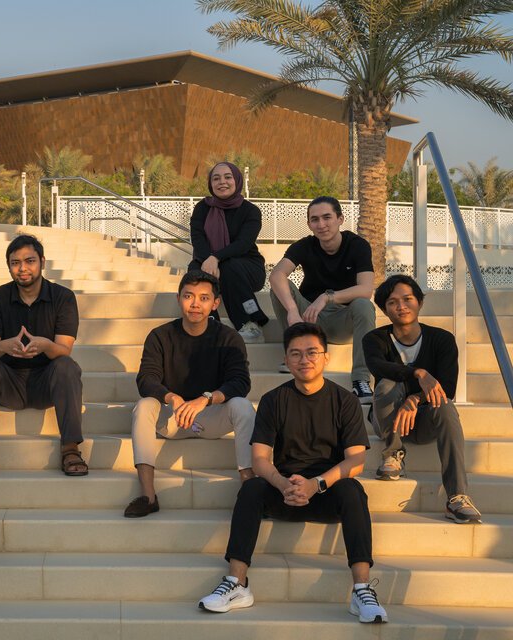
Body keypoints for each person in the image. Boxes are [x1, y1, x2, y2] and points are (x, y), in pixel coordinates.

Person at [198, 323, 387, 624]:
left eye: (312, 352)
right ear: (286, 360)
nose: (304, 359)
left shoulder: (345, 401)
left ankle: (362, 589)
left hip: (326, 492)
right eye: (295, 354)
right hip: (284, 491)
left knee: (353, 490)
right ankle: (237, 583)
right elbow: (260, 459)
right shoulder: (274, 399)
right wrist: (282, 483)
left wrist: (316, 484)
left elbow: (357, 461)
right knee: (251, 489)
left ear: (326, 357)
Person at [125, 270, 256, 518]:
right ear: (179, 299)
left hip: (211, 415)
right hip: (173, 417)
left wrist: (205, 399)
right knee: (144, 405)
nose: (195, 304)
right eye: (188, 296)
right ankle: (148, 496)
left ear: (215, 303)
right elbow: (146, 379)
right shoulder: (160, 336)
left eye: (204, 298)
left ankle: (250, 490)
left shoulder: (229, 338)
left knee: (243, 406)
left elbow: (240, 382)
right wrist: (172, 398)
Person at [0, 234, 88, 477]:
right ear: (9, 266)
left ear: (42, 262)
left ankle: (70, 448)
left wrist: (45, 345)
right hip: (9, 382)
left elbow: (64, 348)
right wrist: (5, 346)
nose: (23, 268)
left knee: (67, 365)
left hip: (47, 382)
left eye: (30, 261)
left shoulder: (63, 297)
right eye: (15, 263)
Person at [364, 274, 482, 523]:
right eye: (392, 302)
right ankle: (393, 453)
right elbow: (379, 367)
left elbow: (447, 388)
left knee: (446, 405)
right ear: (384, 309)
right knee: (387, 383)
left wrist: (415, 399)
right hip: (388, 419)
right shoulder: (374, 339)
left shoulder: (442, 340)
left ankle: (457, 497)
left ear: (420, 302)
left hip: (425, 421)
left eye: (407, 299)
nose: (401, 306)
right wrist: (418, 373)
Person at [269, 196, 376, 403]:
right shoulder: (304, 246)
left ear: (340, 219)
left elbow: (366, 289)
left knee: (363, 305)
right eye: (315, 219)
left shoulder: (358, 245)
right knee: (280, 288)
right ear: (309, 224)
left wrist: (327, 298)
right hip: (309, 319)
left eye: (327, 217)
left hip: (344, 320)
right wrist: (292, 310)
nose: (321, 224)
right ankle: (295, 350)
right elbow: (276, 275)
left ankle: (361, 380)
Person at [189, 162, 269, 344]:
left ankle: (250, 323)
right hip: (209, 264)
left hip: (247, 268)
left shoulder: (250, 211)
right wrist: (208, 259)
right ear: (210, 184)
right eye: (216, 178)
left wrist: (216, 258)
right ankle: (209, 324)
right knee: (194, 271)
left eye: (227, 177)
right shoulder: (202, 208)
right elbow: (198, 238)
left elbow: (243, 244)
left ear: (237, 180)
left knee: (229, 266)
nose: (222, 182)